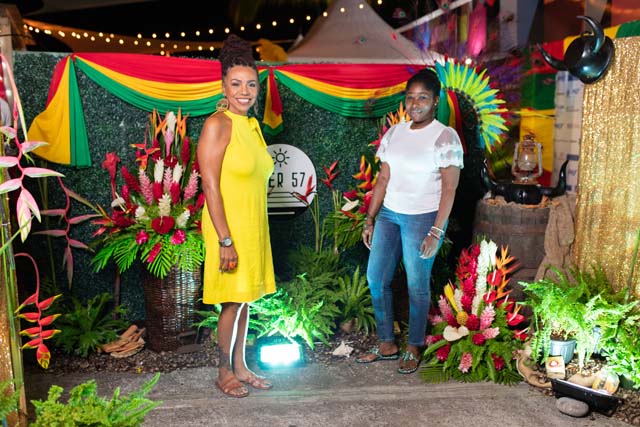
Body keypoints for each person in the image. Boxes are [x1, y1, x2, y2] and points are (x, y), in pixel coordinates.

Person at [356, 69, 463, 374]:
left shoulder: (445, 137)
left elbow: (449, 189)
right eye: (411, 97)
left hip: (423, 218)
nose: (415, 104)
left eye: (423, 98)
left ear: (435, 101)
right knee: (376, 279)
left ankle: (414, 345)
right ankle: (387, 343)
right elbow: (383, 178)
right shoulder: (395, 133)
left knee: (417, 285)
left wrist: (436, 230)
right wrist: (370, 218)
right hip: (389, 214)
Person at [198, 34, 276, 398]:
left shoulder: (252, 126)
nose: (244, 92)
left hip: (252, 226)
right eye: (236, 84)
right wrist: (225, 239)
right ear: (223, 87)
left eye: (251, 84)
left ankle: (241, 365)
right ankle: (224, 371)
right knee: (231, 301)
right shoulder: (218, 124)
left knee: (244, 298)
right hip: (227, 228)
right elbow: (210, 185)